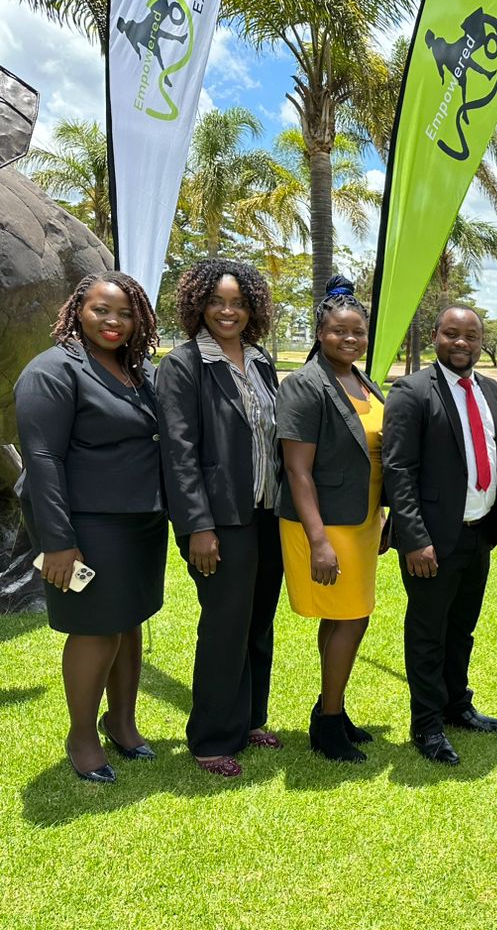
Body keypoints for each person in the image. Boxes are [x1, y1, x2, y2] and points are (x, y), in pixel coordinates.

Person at [14, 272, 166, 783]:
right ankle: (81, 736)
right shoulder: (52, 371)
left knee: (129, 622)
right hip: (87, 528)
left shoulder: (135, 371)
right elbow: (41, 460)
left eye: (125, 313)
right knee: (96, 631)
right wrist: (59, 543)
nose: (114, 322)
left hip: (140, 524)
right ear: (78, 309)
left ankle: (121, 723)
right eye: (102, 310)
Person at [156, 258, 283, 778]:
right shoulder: (184, 364)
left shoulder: (261, 360)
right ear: (197, 305)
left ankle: (249, 719)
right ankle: (211, 737)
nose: (228, 311)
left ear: (252, 308)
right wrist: (197, 527)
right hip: (220, 520)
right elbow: (178, 453)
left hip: (269, 515)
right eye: (217, 302)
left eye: (238, 303)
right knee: (224, 627)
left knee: (257, 622)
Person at [382, 304, 497, 765]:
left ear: (481, 341)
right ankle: (428, 725)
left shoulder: (491, 390)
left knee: (462, 629)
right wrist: (414, 539)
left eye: (471, 336)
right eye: (451, 334)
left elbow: (493, 454)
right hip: (432, 541)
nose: (461, 343)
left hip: (479, 534)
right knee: (428, 633)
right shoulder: (411, 392)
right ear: (435, 336)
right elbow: (398, 470)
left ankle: (458, 706)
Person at [276, 279, 386, 763]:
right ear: (319, 333)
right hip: (325, 523)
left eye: (358, 332)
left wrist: (382, 515)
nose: (350, 339)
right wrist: (319, 542)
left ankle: (332, 710)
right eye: (339, 331)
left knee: (344, 618)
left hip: (361, 520)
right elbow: (297, 471)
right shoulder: (305, 385)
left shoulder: (363, 380)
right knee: (351, 617)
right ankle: (327, 723)